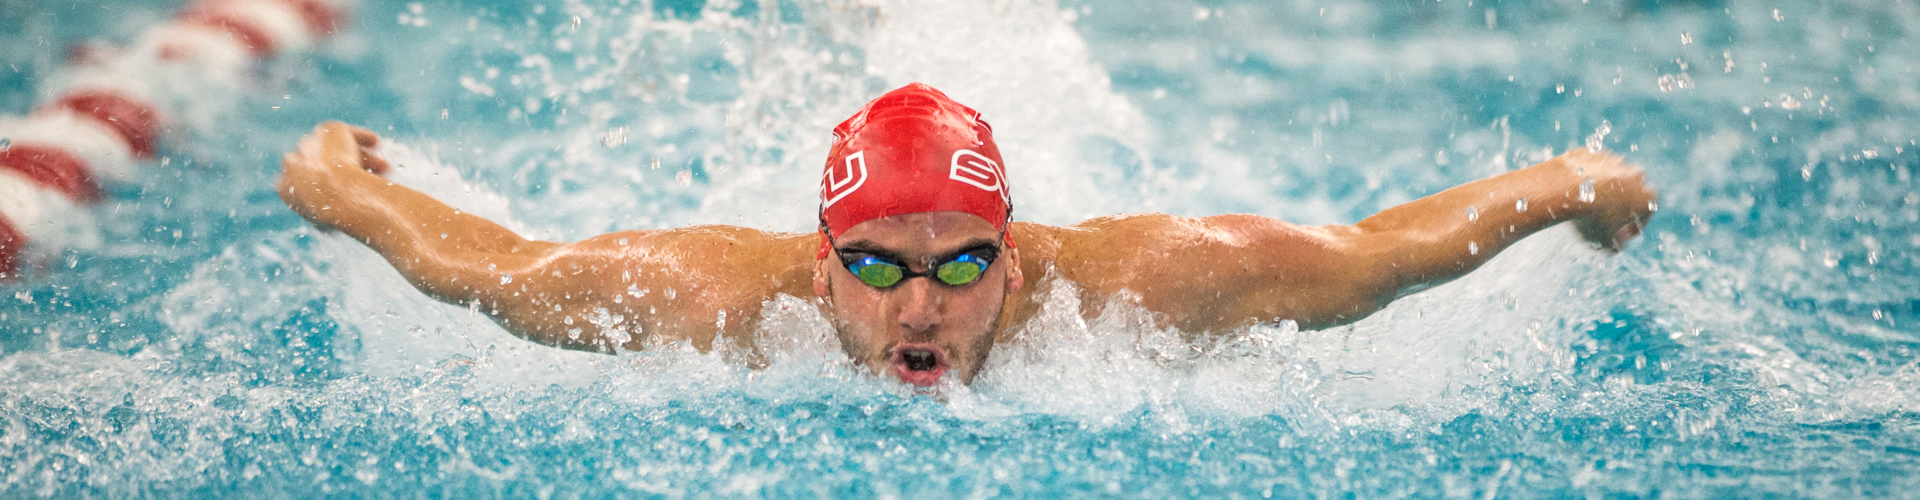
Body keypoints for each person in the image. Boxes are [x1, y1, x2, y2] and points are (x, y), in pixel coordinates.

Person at [277, 83, 1657, 388]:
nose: (918, 308)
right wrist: (341, 185)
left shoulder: (1143, 289)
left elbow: (1382, 251)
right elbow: (478, 268)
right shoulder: (706, 301)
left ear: (1018, 253)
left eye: (959, 265)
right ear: (818, 261)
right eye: (875, 268)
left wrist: (1572, 183)